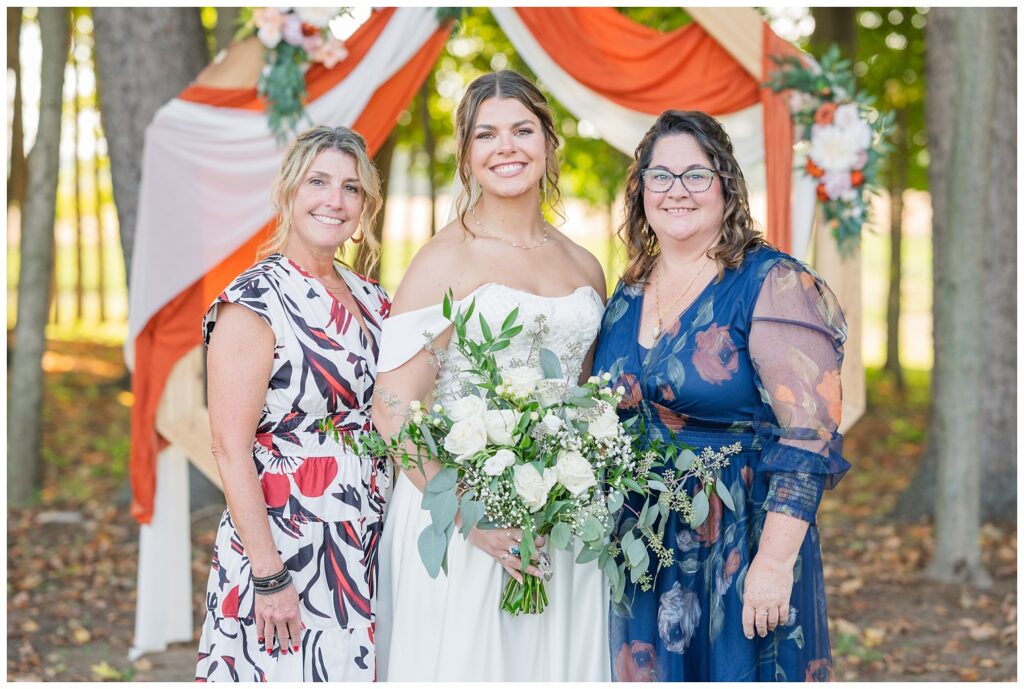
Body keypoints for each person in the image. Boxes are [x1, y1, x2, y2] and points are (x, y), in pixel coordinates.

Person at [594, 110, 850, 682]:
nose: (676, 191)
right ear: (640, 192)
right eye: (660, 176)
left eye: (696, 175)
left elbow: (809, 434)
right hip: (645, 545)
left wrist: (775, 561)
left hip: (741, 539)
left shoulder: (770, 282)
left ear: (726, 186)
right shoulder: (630, 287)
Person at [372, 70, 610, 681]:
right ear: (468, 155)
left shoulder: (584, 264)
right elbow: (392, 408)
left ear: (549, 144)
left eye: (523, 130)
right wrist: (470, 515)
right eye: (487, 135)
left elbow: (585, 400)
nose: (507, 147)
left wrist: (565, 478)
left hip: (562, 518)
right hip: (464, 517)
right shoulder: (445, 258)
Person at [196, 126, 391, 682]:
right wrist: (268, 575)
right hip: (289, 541)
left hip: (366, 532)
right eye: (318, 182)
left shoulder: (374, 299)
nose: (335, 200)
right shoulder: (254, 300)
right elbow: (229, 447)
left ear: (365, 205)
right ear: (287, 192)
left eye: (351, 188)